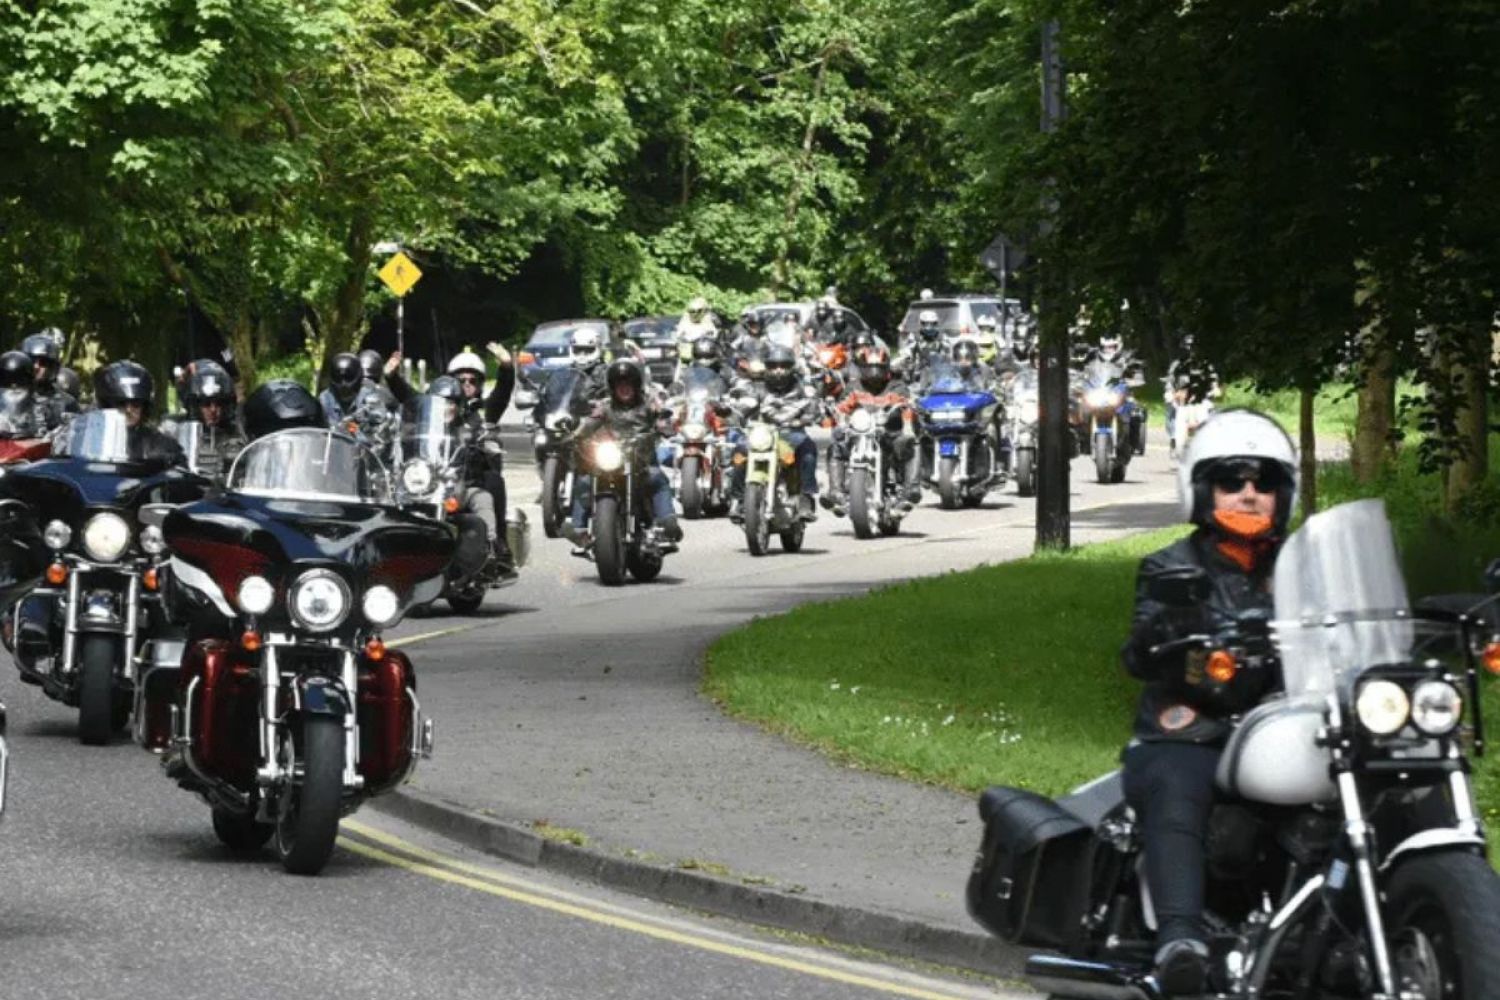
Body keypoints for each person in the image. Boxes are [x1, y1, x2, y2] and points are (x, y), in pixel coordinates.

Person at [1118, 409, 1297, 996]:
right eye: (1232, 481)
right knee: (1179, 779)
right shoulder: (1171, 566)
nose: (1249, 495)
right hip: (1195, 728)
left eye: (1263, 483)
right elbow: (1141, 651)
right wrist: (1173, 631)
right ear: (1202, 490)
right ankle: (1180, 941)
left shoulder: (1304, 564)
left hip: (1288, 730)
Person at [564, 359, 682, 549]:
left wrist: (664, 425)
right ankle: (578, 530)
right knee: (585, 481)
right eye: (620, 385)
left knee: (657, 478)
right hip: (613, 460)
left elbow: (662, 417)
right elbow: (590, 423)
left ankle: (667, 523)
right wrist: (575, 435)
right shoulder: (605, 406)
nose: (624, 389)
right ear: (613, 387)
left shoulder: (648, 404)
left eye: (628, 385)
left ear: (636, 386)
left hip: (642, 462)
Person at [428, 374, 518, 578]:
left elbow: (485, 436)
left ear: (459, 405)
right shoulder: (423, 431)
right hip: (426, 492)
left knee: (483, 499)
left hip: (462, 488)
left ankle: (491, 547)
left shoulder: (470, 425)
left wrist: (485, 445)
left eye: (451, 404)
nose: (446, 408)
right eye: (441, 403)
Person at [725, 345, 820, 522]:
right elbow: (744, 405)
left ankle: (806, 498)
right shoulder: (756, 386)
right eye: (774, 366)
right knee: (739, 451)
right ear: (767, 367)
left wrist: (807, 418)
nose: (778, 370)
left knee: (808, 450)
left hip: (791, 434)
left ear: (791, 367)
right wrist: (730, 412)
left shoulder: (802, 387)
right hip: (761, 434)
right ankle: (737, 500)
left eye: (783, 366)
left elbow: (814, 406)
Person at [823, 346, 920, 510]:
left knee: (911, 442)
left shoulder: (896, 385)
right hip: (860, 433)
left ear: (886, 367)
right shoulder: (854, 386)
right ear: (862, 368)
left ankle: (911, 489)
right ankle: (836, 492)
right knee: (836, 446)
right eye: (869, 369)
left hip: (890, 433)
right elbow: (842, 406)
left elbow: (906, 403)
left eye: (878, 368)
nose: (874, 373)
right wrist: (834, 412)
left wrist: (908, 409)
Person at [92, 360, 185, 465]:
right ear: (106, 404)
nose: (128, 410)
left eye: (136, 403)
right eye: (120, 403)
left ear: (145, 405)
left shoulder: (162, 445)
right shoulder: (90, 440)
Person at [179, 360, 245, 481]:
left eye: (218, 403)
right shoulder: (179, 433)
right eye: (206, 404)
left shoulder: (236, 436)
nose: (213, 409)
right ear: (195, 405)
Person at [21, 331, 77, 430]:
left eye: (43, 363)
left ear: (52, 367)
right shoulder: (6, 395)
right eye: (32, 360)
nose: (36, 367)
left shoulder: (66, 402)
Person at [0, 351, 39, 438]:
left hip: (27, 446)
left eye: (20, 381)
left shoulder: (39, 408)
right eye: (7, 381)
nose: (14, 386)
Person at [674, 296, 717, 361]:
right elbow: (679, 333)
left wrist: (710, 335)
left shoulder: (707, 318)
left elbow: (714, 332)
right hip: (690, 349)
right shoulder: (685, 318)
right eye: (692, 311)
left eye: (698, 311)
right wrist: (682, 338)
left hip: (704, 348)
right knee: (684, 358)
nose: (695, 313)